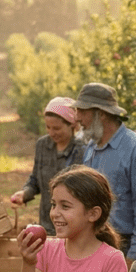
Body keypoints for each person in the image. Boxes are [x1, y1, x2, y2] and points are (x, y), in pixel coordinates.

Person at [73, 83, 136, 264]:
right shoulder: (91, 148)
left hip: (124, 247)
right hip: (95, 244)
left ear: (101, 114)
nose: (77, 117)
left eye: (82, 110)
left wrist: (133, 258)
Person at [9, 96, 85, 235]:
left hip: (73, 227)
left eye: (56, 128)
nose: (51, 133)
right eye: (48, 127)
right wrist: (24, 193)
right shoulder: (42, 145)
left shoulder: (82, 150)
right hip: (46, 223)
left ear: (72, 125)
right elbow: (36, 180)